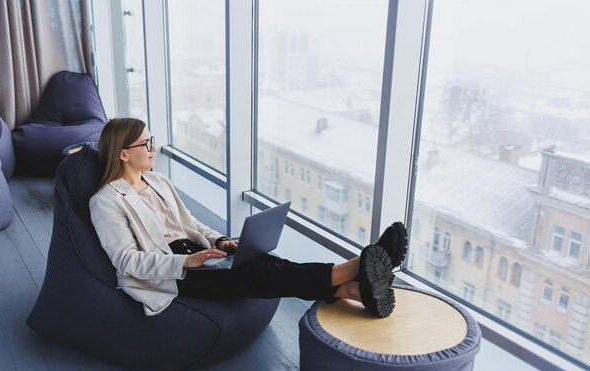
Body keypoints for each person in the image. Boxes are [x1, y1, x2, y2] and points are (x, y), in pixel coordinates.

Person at [89, 118, 408, 318]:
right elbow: (126, 260)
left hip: (199, 254)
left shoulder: (158, 181)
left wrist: (219, 241)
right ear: (123, 153)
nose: (153, 148)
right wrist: (187, 262)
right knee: (252, 277)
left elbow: (191, 223)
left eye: (153, 140)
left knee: (266, 262)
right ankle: (355, 268)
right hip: (173, 272)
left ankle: (352, 290)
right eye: (147, 143)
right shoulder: (105, 200)